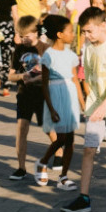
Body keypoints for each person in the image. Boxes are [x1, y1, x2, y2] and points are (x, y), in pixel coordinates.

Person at [62, 6, 106, 212]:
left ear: (103, 26)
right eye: (84, 32)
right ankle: (84, 197)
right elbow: (87, 78)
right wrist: (89, 105)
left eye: (90, 31)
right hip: (96, 106)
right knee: (89, 149)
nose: (86, 35)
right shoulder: (88, 48)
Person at [35, 15, 83, 191]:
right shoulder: (49, 55)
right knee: (61, 137)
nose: (73, 34)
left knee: (70, 139)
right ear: (60, 34)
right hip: (56, 97)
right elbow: (45, 84)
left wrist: (83, 103)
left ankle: (63, 176)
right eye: (70, 31)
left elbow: (75, 79)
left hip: (69, 95)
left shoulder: (70, 55)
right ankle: (43, 162)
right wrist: (51, 107)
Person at [6, 16, 49, 181]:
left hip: (43, 95)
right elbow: (11, 76)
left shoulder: (45, 49)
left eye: (27, 36)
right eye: (21, 36)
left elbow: (51, 74)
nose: (23, 39)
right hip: (24, 94)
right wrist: (24, 76)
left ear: (36, 33)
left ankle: (59, 158)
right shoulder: (18, 50)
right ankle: (21, 168)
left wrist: (37, 78)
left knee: (49, 130)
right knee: (21, 130)